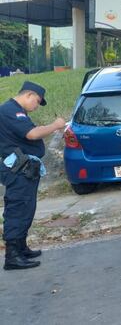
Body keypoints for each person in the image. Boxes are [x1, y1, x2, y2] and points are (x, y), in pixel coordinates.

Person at [0, 81, 65, 270]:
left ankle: (21, 248)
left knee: (26, 209)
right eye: (36, 102)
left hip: (25, 169)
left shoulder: (17, 112)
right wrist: (55, 125)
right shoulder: (11, 111)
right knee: (18, 209)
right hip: (18, 170)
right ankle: (12, 256)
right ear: (28, 95)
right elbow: (32, 134)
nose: (36, 107)